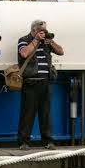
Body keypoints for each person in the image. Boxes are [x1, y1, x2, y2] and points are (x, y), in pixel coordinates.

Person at [17, 19, 64, 150]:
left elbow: (61, 51)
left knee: (45, 113)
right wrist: (36, 40)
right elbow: (24, 53)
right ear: (33, 30)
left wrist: (51, 42)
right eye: (40, 31)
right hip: (31, 81)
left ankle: (48, 141)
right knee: (28, 113)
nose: (43, 33)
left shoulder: (46, 42)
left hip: (45, 81)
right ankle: (23, 142)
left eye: (44, 31)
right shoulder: (24, 40)